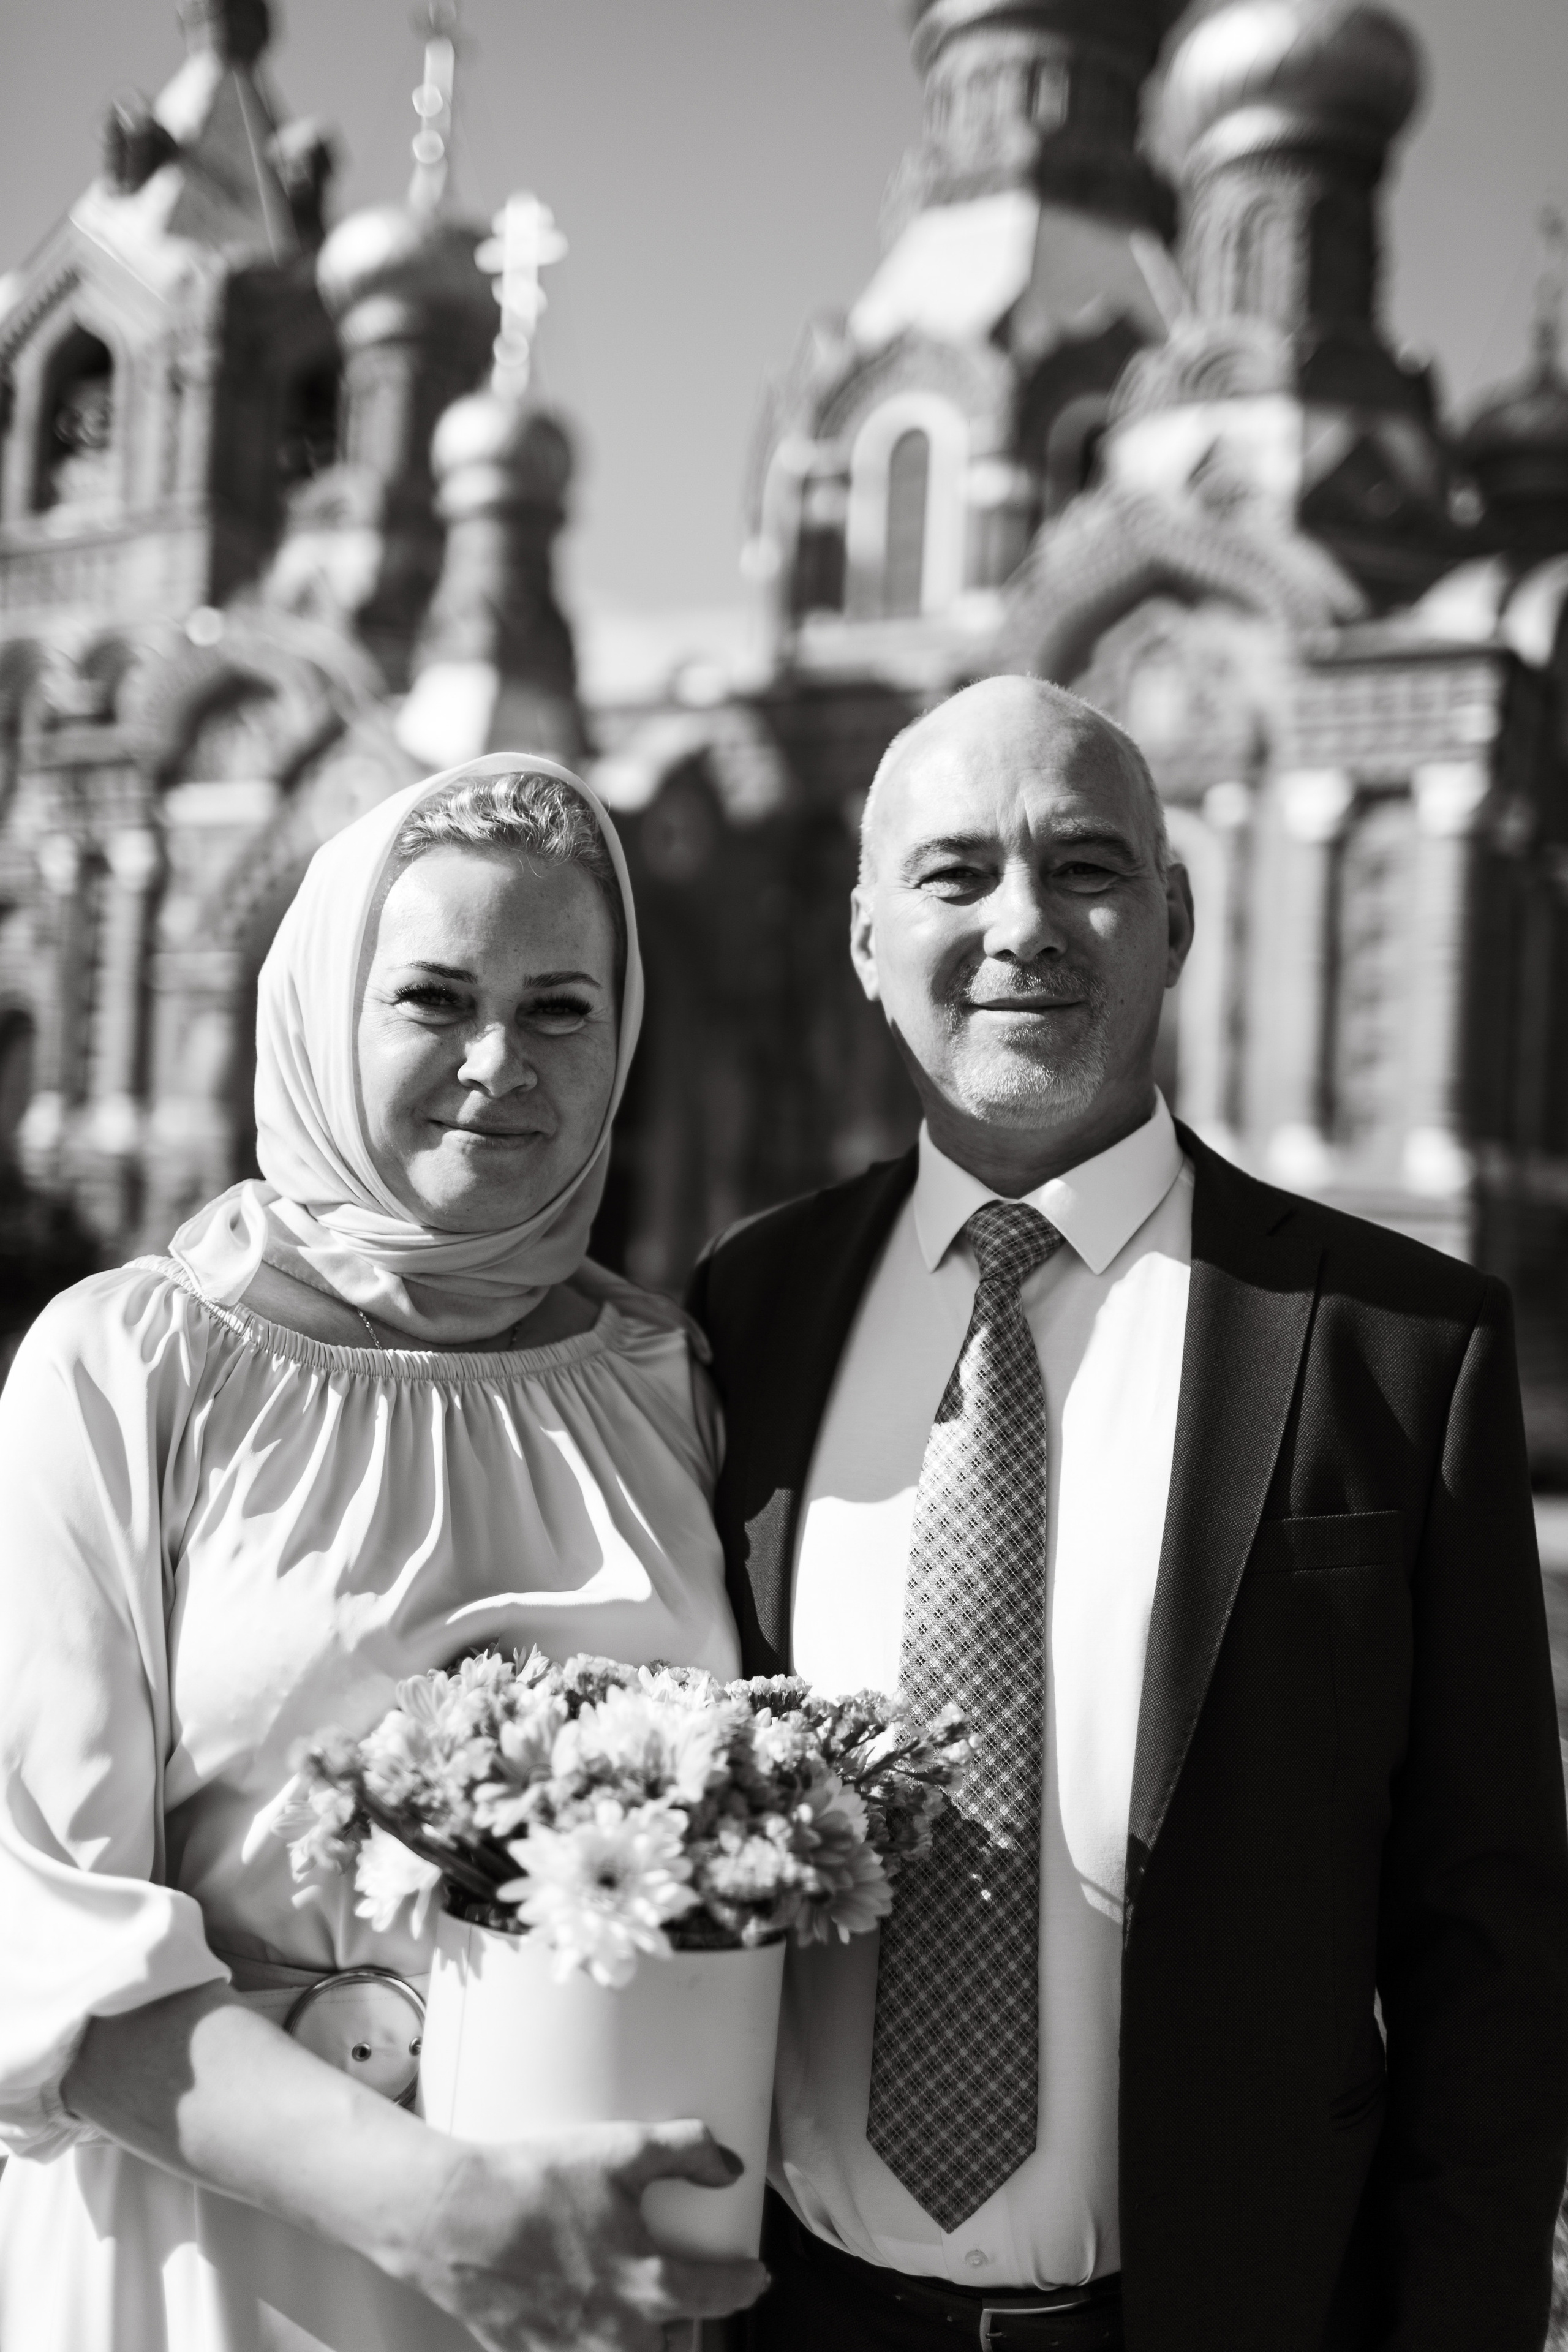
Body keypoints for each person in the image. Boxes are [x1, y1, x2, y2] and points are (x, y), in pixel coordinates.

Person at [688, 677, 1568, 2352]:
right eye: (954, 875)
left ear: (1172, 920)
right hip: (794, 2316)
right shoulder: (751, 1305)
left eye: (1085, 867)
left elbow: (1491, 1944)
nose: (1023, 923)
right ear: (866, 939)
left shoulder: (1395, 1342)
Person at [0, 755, 767, 2352]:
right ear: (319, 1009)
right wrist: (431, 2208)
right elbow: (36, 1922)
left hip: (587, 2277)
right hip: (213, 2259)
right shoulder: (128, 1368)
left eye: (561, 1008)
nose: (500, 1061)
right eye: (433, 997)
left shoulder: (670, 1383)